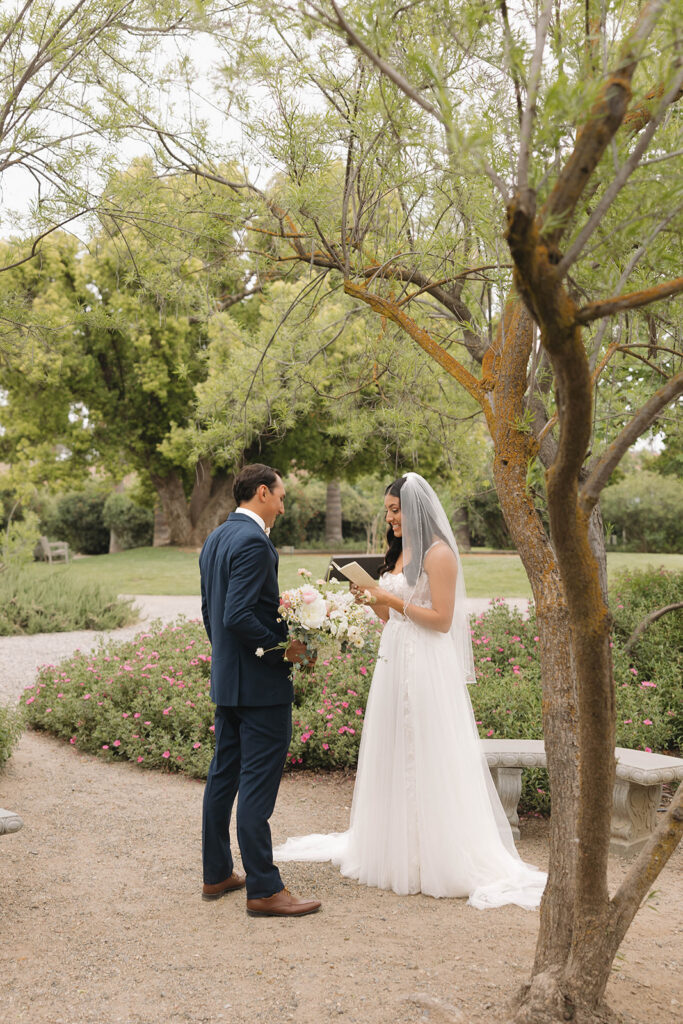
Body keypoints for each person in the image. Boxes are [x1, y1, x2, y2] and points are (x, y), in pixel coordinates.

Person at [275, 472, 546, 909]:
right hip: (395, 656)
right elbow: (391, 618)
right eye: (387, 510)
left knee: (428, 749)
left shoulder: (439, 555)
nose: (390, 518)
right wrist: (371, 599)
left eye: (395, 510)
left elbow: (441, 619)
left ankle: (433, 855)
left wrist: (389, 597)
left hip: (427, 663)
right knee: (394, 747)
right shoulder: (401, 554)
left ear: (416, 509)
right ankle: (393, 849)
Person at [199, 463, 321, 917]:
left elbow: (211, 611)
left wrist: (228, 664)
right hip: (261, 690)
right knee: (256, 785)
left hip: (228, 682)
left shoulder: (216, 537)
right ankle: (264, 890)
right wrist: (283, 651)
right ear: (264, 493)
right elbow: (235, 614)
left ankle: (217, 874)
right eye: (282, 496)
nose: (284, 505)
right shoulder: (253, 541)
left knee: (223, 777)